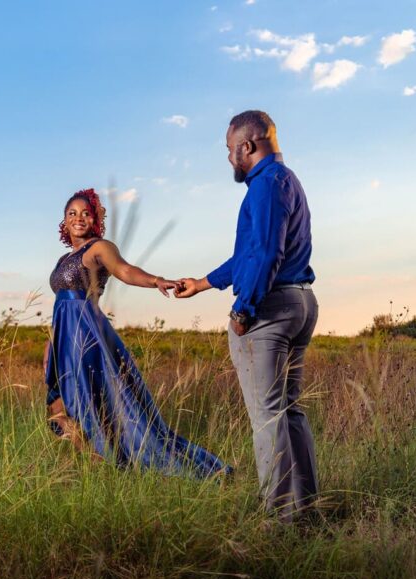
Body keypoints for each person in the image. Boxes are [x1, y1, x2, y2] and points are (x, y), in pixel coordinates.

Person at [176, 110, 318, 521]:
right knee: (288, 411)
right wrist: (202, 283)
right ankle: (305, 509)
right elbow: (248, 254)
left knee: (267, 416)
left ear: (248, 146)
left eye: (229, 150)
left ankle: (279, 520)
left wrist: (243, 309)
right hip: (301, 300)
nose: (228, 158)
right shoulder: (285, 180)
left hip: (271, 309)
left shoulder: (265, 187)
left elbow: (266, 255)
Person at [44, 187, 232, 479]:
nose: (79, 218)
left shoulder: (99, 247)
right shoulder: (61, 261)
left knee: (87, 405)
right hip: (62, 337)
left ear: (94, 218)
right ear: (64, 221)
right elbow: (59, 307)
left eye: (85, 213)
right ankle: (99, 464)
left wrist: (155, 280)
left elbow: (124, 270)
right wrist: (50, 345)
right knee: (57, 407)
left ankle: (108, 467)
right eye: (72, 213)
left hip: (85, 334)